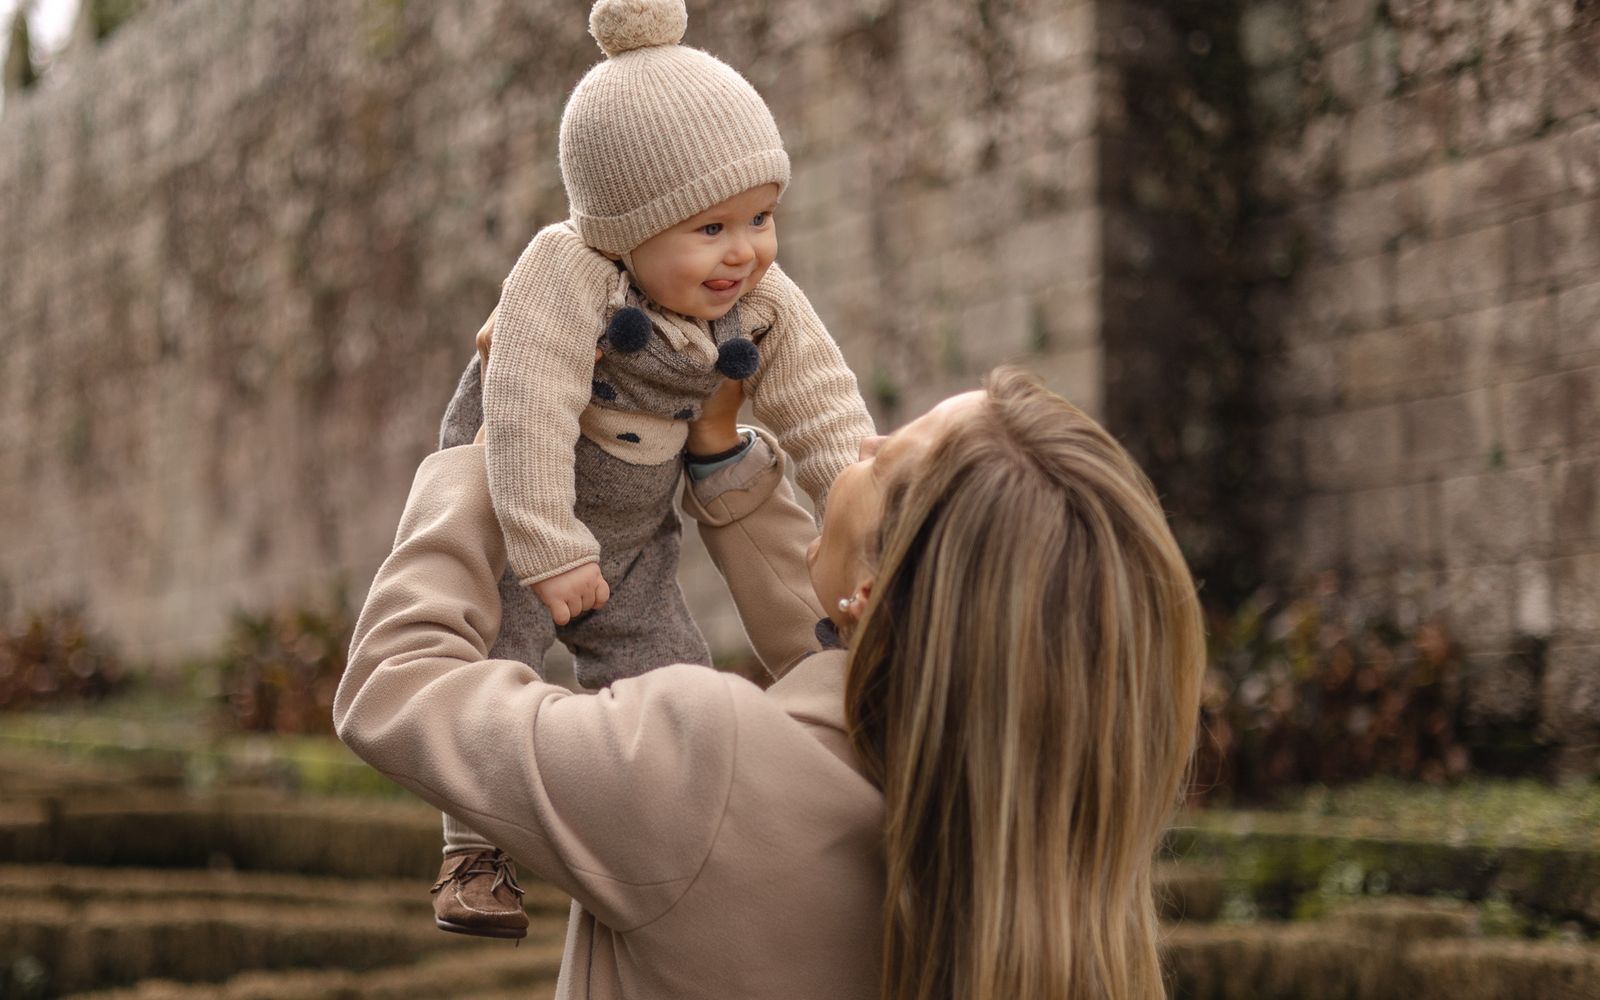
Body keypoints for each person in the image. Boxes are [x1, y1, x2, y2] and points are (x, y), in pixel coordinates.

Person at [336, 365, 1208, 1000]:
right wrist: (725, 469)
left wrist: (495, 453)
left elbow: (396, 684)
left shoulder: (699, 764)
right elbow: (856, 667)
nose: (861, 444)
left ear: (871, 592)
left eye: (887, 458)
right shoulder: (1029, 841)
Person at [430, 0, 871, 934]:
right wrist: (545, 546)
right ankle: (474, 853)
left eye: (761, 217)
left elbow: (825, 413)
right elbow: (528, 404)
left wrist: (888, 515)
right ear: (627, 230)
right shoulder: (566, 271)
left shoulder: (761, 300)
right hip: (521, 509)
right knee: (496, 663)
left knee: (676, 681)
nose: (745, 252)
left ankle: (669, 845)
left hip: (633, 535)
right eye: (710, 228)